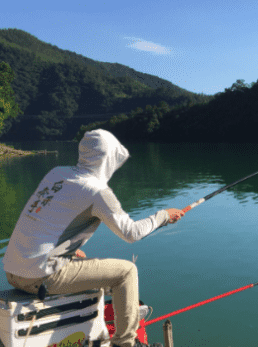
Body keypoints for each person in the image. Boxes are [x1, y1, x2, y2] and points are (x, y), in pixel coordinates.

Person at [3, 129, 184, 347]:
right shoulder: (96, 191)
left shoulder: (57, 174)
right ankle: (125, 342)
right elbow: (131, 233)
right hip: (40, 275)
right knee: (126, 272)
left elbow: (47, 223)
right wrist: (164, 216)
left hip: (13, 270)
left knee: (86, 261)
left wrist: (68, 250)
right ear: (108, 159)